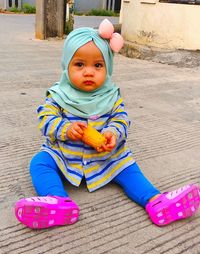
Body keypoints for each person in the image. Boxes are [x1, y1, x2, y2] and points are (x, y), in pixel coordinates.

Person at [15, 19, 200, 229]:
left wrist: (114, 132)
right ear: (67, 66)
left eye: (98, 65)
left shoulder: (112, 96)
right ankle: (58, 202)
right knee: (40, 163)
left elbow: (121, 118)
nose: (88, 72)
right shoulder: (58, 96)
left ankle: (156, 202)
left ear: (108, 67)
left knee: (129, 168)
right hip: (64, 154)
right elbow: (45, 118)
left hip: (106, 157)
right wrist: (64, 128)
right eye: (79, 64)